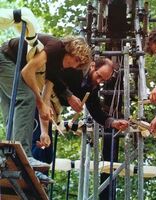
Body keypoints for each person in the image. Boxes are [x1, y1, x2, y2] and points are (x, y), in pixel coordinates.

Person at [0, 33, 91, 179]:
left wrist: (44, 132)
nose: (74, 66)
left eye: (79, 65)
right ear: (72, 49)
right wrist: (40, 103)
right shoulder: (55, 48)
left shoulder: (55, 69)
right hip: (6, 59)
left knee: (13, 113)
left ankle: (7, 157)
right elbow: (27, 71)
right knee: (27, 98)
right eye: (76, 60)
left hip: (10, 64)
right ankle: (25, 156)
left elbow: (45, 99)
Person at [32, 57, 129, 163]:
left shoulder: (92, 87)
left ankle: (38, 176)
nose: (98, 81)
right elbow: (53, 75)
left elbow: (96, 110)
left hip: (50, 112)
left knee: (47, 154)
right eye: (98, 75)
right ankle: (28, 173)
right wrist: (69, 96)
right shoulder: (75, 68)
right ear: (92, 66)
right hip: (37, 100)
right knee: (38, 148)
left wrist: (113, 122)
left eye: (103, 80)